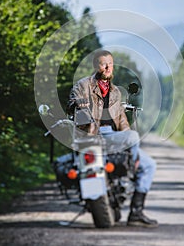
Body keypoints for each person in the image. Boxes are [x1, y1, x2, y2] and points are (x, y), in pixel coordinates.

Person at [67, 49, 158, 227]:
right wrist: (78, 103)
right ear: (96, 66)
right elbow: (72, 103)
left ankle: (136, 213)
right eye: (103, 63)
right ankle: (130, 168)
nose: (108, 67)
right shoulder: (83, 85)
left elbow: (122, 120)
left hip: (114, 136)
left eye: (111, 63)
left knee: (149, 165)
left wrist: (133, 149)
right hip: (92, 135)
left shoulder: (115, 91)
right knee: (132, 137)